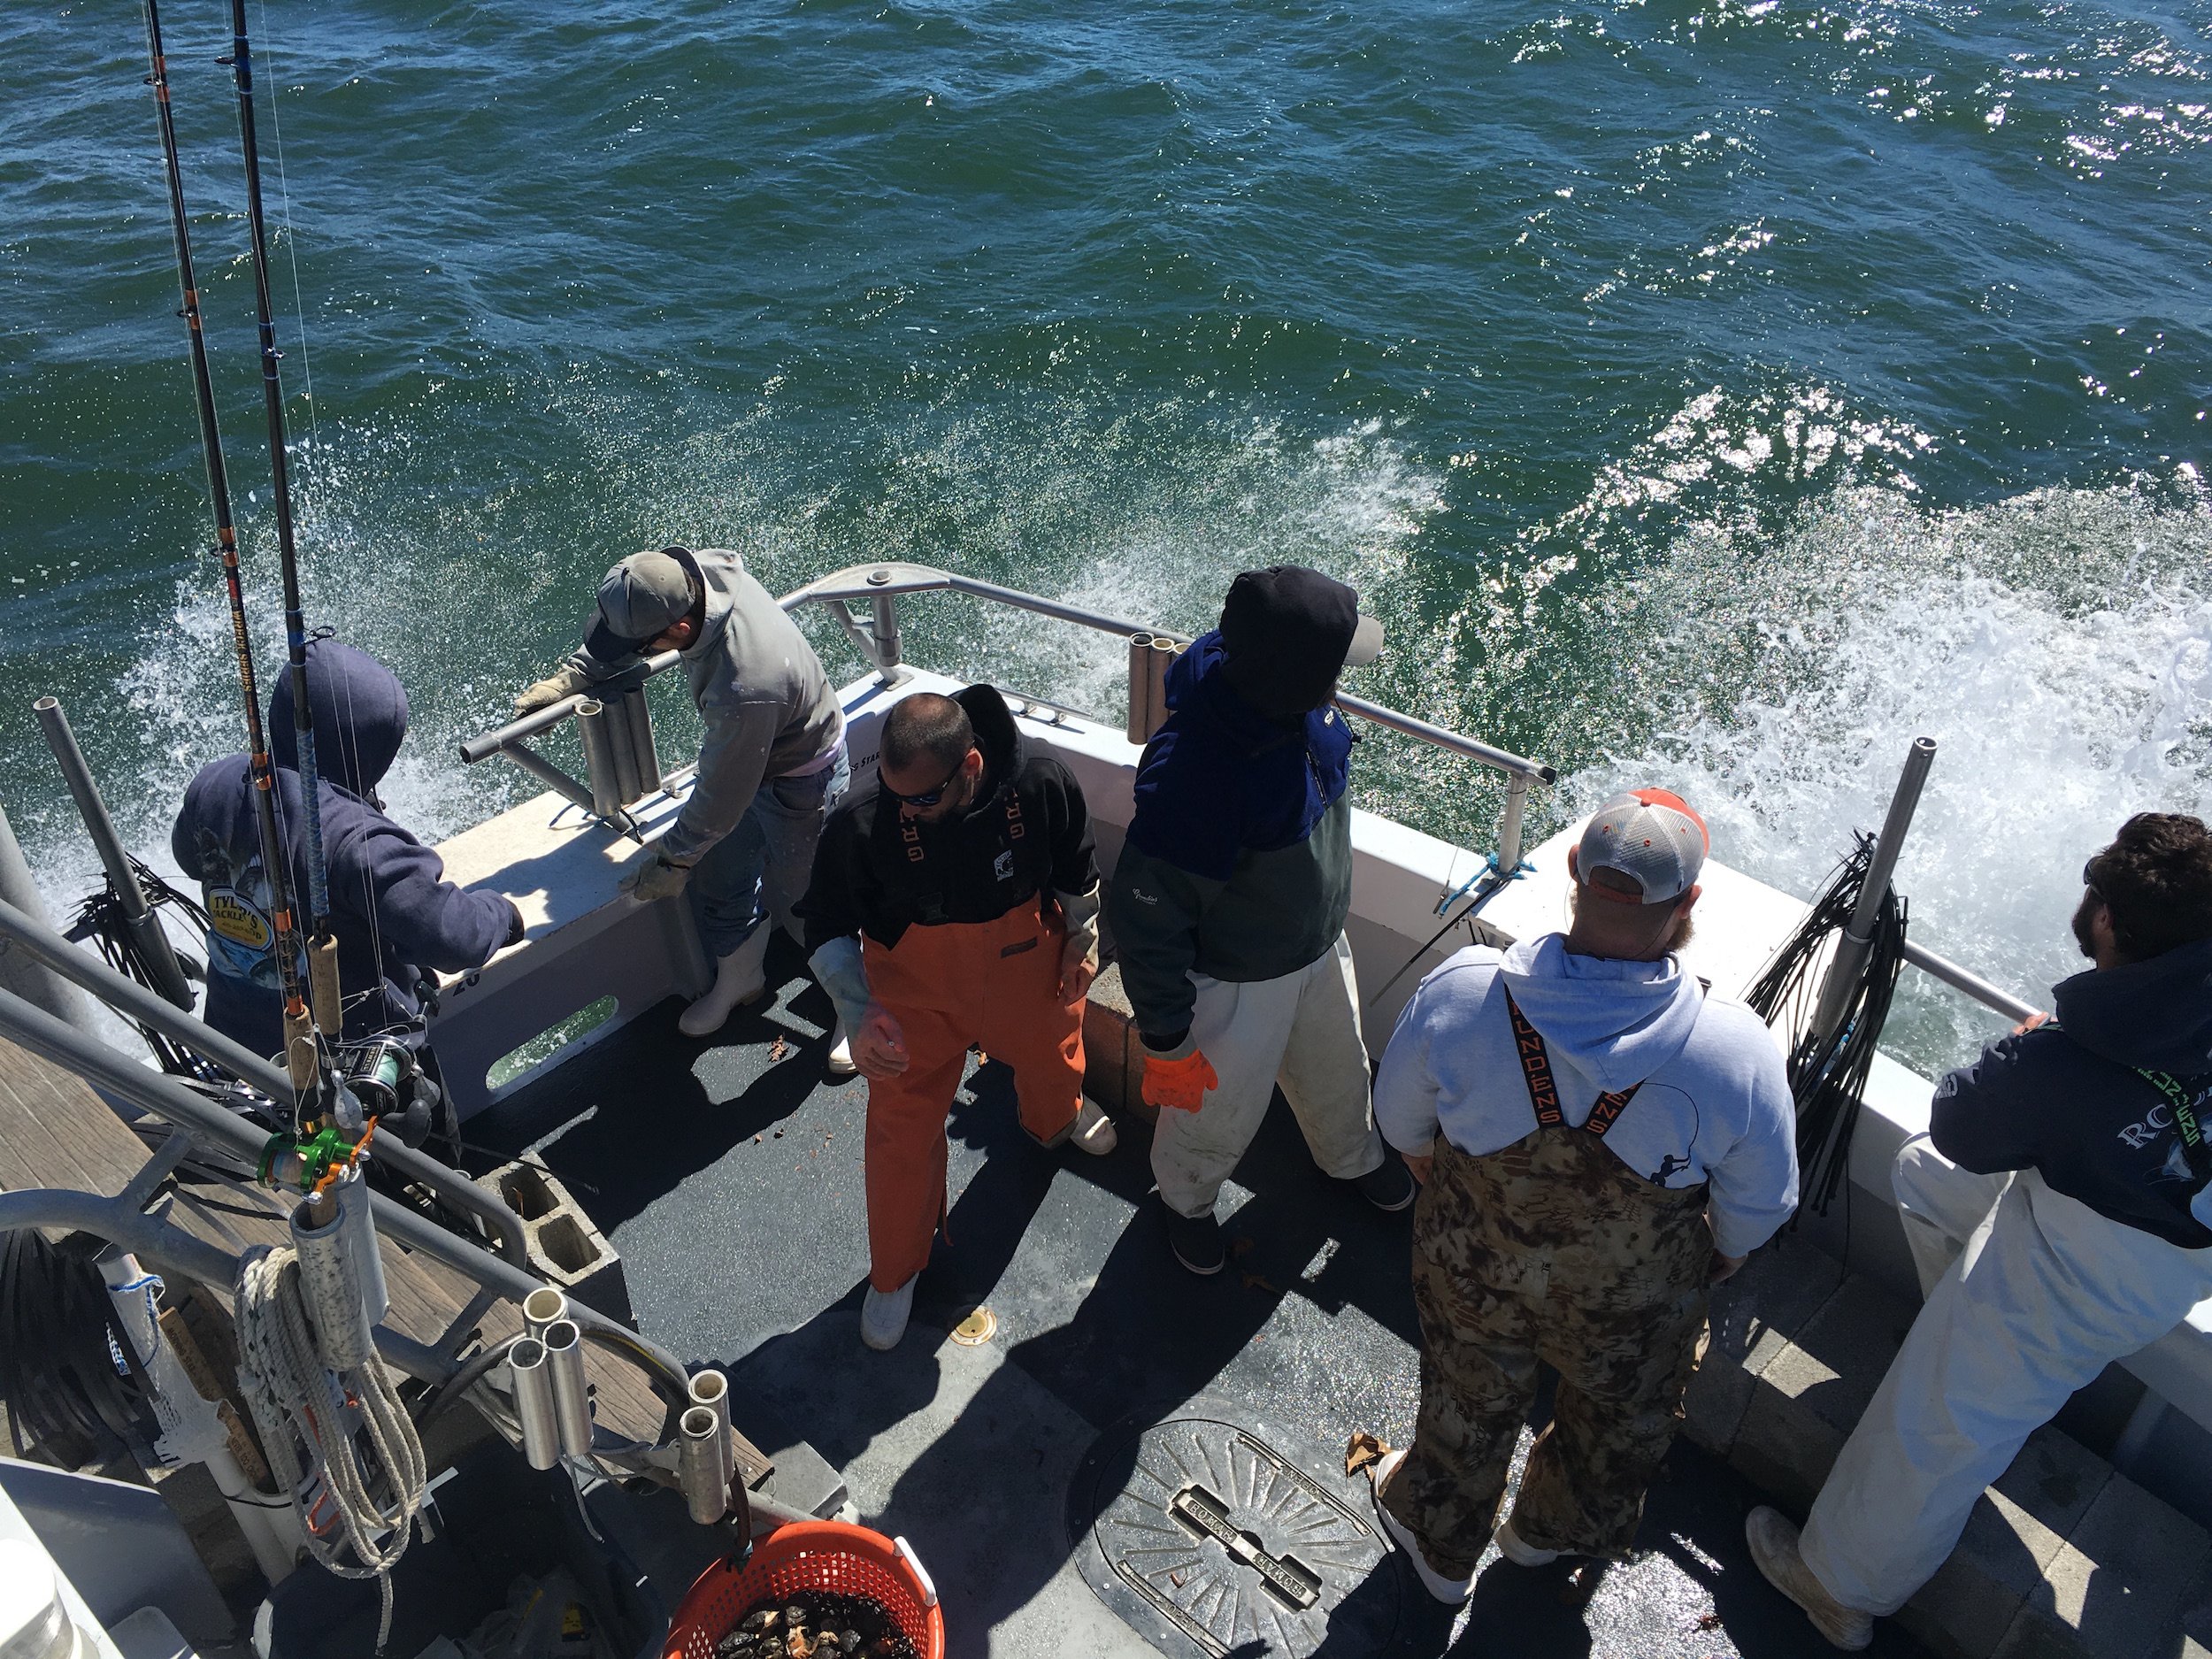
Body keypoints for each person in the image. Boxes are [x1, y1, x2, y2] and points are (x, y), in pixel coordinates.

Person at [1749, 812, 2212, 1651]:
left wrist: (2025, 1043)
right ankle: (1979, 1357)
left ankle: (1840, 1589)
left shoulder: (2065, 1058)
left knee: (1936, 1427)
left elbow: (1963, 1122)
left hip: (2087, 1272)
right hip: (2165, 1230)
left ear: (2110, 922)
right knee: (1926, 1176)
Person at [1370, 787, 1799, 1605]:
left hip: (1473, 1274)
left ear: (1573, 868)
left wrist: (1439, 1174)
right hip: (1630, 1309)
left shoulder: (1465, 990)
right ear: (1689, 902)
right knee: (1614, 1418)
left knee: (1469, 1390)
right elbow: (1761, 1205)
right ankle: (1543, 1536)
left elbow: (1399, 1121)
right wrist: (1721, 1251)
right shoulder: (1734, 1050)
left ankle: (1440, 1552)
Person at [1105, 565, 1413, 1278]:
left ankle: (1351, 1156)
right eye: (1334, 666)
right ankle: (1185, 1199)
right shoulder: (1194, 776)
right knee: (1213, 1111)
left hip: (1318, 945)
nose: (1342, 679)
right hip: (1236, 979)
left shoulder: (1289, 697)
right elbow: (1147, 916)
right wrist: (1167, 1039)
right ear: (1298, 677)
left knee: (1341, 1072)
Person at [796, 687, 1117, 1349]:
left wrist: (1083, 940)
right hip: (912, 1000)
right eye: (895, 796)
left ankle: (1057, 1118)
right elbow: (824, 927)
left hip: (1027, 968)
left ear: (970, 765)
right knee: (899, 1132)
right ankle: (894, 1273)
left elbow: (1077, 865)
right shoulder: (861, 823)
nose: (904, 810)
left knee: (1054, 1048)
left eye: (921, 799)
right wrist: (857, 1012)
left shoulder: (1041, 781)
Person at [516, 545, 848, 1043]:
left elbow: (721, 796)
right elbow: (631, 625)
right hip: (749, 754)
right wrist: (575, 677)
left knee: (813, 902)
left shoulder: (743, 685)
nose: (640, 654)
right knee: (722, 877)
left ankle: (856, 1006)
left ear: (680, 630)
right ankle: (741, 978)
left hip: (801, 778)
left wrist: (673, 861)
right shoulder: (694, 574)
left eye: (642, 648)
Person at [174, 637, 523, 1063]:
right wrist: (501, 914)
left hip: (233, 1050)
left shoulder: (214, 785)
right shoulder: (360, 841)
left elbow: (188, 859)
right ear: (370, 748)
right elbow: (453, 938)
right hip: (352, 1072)